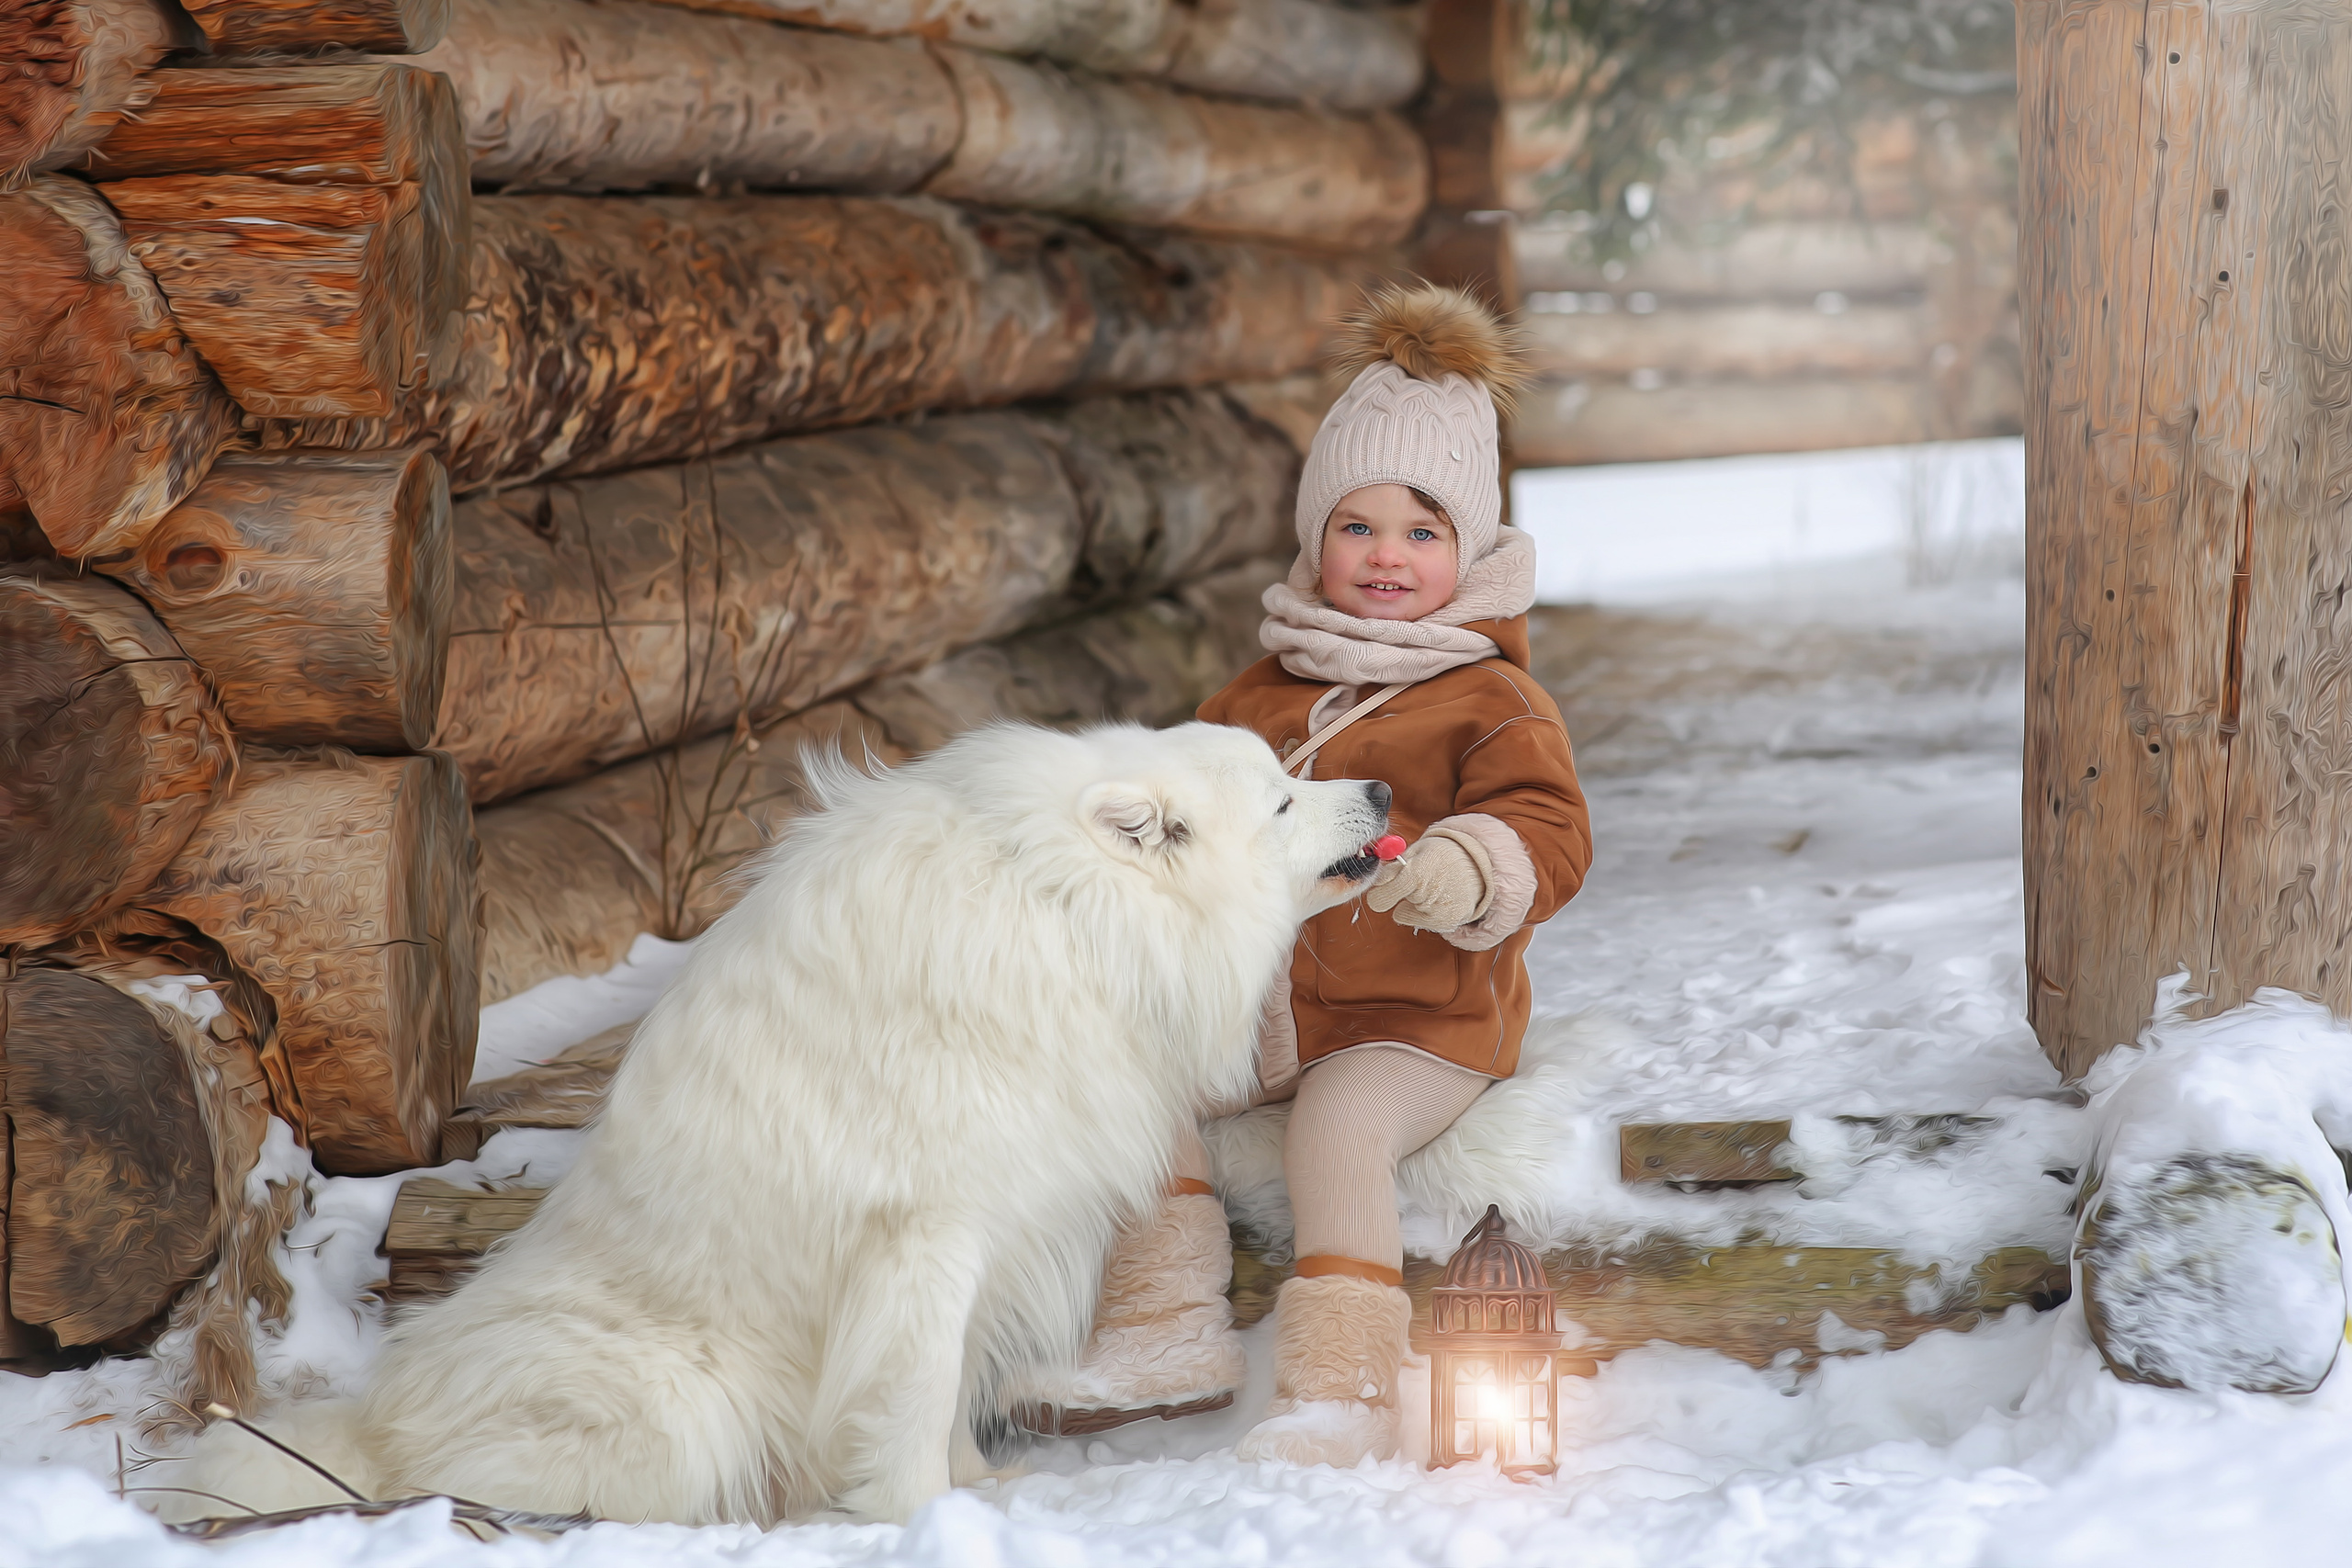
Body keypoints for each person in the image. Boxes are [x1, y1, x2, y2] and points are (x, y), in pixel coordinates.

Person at [1015, 282, 1593, 1465]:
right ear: (1314, 538)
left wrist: (1465, 867)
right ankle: (1164, 1327)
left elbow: (1549, 825)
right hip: (1265, 1009)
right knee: (1136, 1085)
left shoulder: (1490, 699)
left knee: (1335, 1130)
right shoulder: (1257, 692)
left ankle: (1340, 1390)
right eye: (1358, 527)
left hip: (1414, 1020)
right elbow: (1187, 820)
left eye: (1423, 533)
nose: (1387, 557)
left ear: (1471, 550)